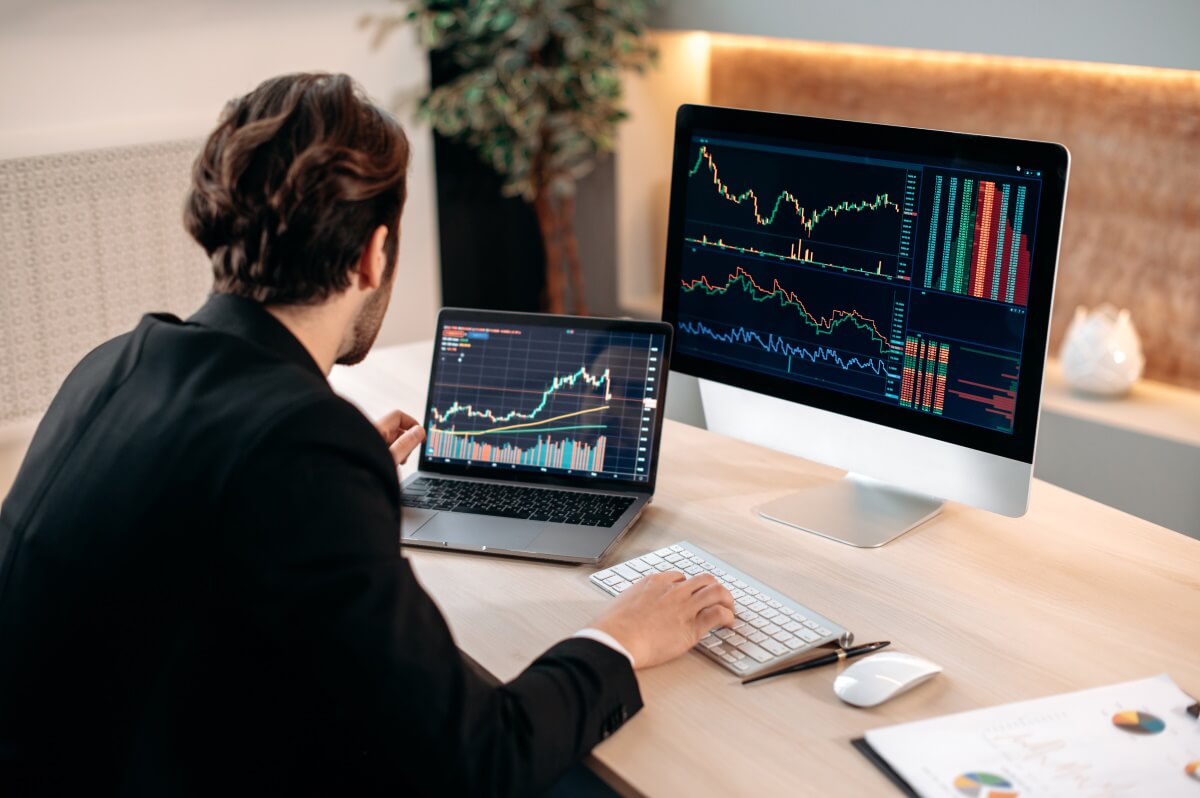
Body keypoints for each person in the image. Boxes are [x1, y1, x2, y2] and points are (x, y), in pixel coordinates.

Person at [0, 73, 734, 795]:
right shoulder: (298, 451)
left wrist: (332, 493)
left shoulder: (113, 364)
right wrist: (621, 638)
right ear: (372, 254)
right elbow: (478, 762)